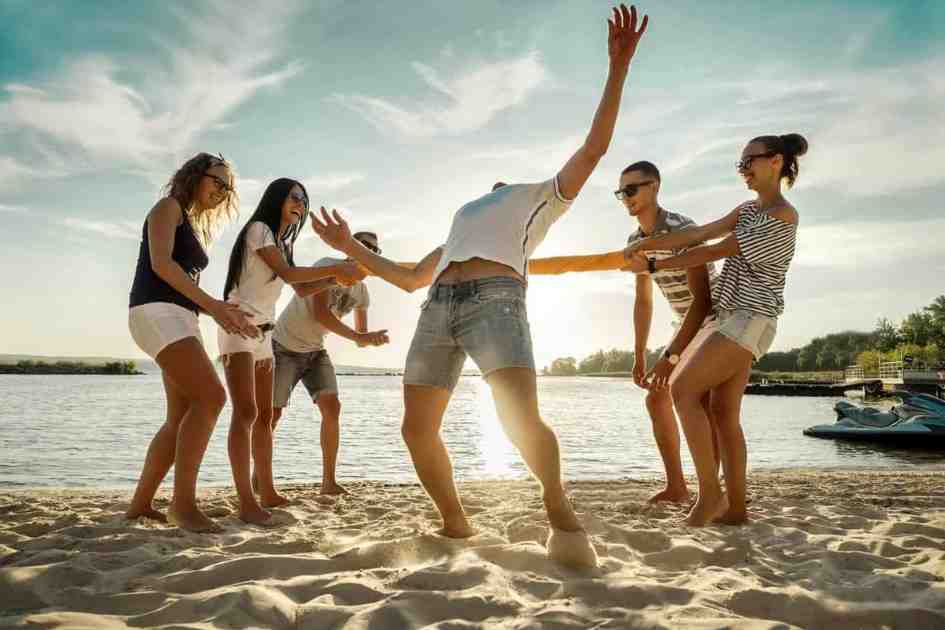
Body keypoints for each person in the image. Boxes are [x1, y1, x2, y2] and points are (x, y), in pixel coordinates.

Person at [312, 4, 649, 569]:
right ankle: (455, 521)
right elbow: (406, 276)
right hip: (437, 306)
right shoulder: (462, 220)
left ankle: (559, 510)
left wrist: (617, 68)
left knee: (521, 419)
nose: (495, 187)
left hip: (496, 302)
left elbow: (594, 149)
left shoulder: (539, 197)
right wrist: (352, 248)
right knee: (415, 428)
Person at [624, 133, 806, 525]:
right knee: (724, 414)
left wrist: (654, 265)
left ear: (776, 161)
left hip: (749, 317)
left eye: (749, 162)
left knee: (683, 389)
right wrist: (645, 247)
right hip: (729, 318)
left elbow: (712, 250)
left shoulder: (783, 216)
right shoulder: (745, 209)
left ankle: (709, 495)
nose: (744, 171)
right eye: (740, 165)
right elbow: (698, 234)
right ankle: (736, 509)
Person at [219, 178, 365, 525]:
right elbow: (288, 274)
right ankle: (246, 501)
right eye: (293, 197)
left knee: (265, 417)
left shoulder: (281, 243)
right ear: (276, 199)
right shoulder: (259, 230)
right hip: (238, 326)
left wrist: (334, 280)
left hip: (265, 335)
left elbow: (300, 288)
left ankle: (267, 492)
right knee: (245, 414)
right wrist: (336, 268)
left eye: (304, 199)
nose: (299, 203)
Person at [126, 153, 255, 533]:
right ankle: (183, 506)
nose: (223, 190)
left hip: (180, 316)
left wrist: (219, 310)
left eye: (228, 186)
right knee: (212, 398)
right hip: (157, 312)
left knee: (180, 416)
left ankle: (140, 506)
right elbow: (161, 265)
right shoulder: (168, 207)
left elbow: (183, 277)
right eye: (218, 180)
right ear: (195, 176)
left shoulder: (191, 221)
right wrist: (215, 307)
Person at [616, 161, 720, 503]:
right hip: (684, 320)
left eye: (632, 190)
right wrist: (639, 356)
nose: (626, 198)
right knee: (656, 398)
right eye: (621, 193)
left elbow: (702, 302)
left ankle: (710, 491)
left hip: (716, 320)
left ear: (655, 186)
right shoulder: (635, 241)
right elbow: (643, 302)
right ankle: (677, 486)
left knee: (700, 403)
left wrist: (671, 355)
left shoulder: (681, 229)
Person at [268, 231, 390, 496]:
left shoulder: (362, 291)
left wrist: (371, 338)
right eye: (363, 245)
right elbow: (321, 314)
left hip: (315, 351)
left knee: (332, 408)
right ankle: (260, 478)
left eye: (374, 250)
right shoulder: (326, 266)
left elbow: (360, 338)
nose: (368, 251)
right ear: (350, 247)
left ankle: (328, 483)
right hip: (284, 347)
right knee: (272, 415)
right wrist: (360, 336)